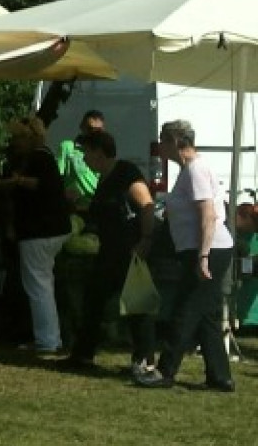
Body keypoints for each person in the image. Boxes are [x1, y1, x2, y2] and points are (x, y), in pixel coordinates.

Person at [133, 120, 237, 391]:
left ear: (176, 142)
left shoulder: (195, 170)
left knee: (186, 309)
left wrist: (203, 257)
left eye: (163, 141)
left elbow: (209, 214)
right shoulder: (190, 170)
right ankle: (220, 377)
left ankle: (166, 371)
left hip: (209, 249)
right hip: (206, 249)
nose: (160, 146)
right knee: (208, 315)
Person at [67, 129, 155, 370]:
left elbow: (147, 205)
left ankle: (145, 360)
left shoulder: (125, 172)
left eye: (86, 152)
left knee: (137, 305)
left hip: (129, 250)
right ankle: (82, 355)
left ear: (98, 151)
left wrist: (146, 239)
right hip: (109, 251)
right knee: (93, 301)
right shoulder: (103, 180)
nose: (83, 158)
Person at [0, 116, 72, 355]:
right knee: (43, 284)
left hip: (39, 230)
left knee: (38, 286)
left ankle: (47, 340)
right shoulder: (45, 156)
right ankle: (50, 337)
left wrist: (15, 181)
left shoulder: (39, 158)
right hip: (52, 229)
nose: (16, 142)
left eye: (19, 137)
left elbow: (42, 186)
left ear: (31, 137)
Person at [57, 109, 104, 208]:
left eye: (98, 130)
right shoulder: (67, 147)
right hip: (75, 208)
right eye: (90, 129)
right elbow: (55, 179)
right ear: (82, 127)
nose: (93, 133)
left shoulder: (103, 152)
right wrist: (64, 192)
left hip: (98, 206)